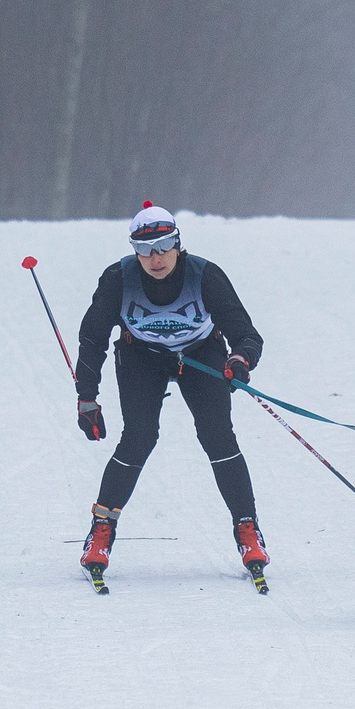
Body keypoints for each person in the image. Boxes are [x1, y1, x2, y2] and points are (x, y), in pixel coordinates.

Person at [74, 204, 267, 585]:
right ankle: (101, 530)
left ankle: (248, 530)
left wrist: (240, 360)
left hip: (200, 354)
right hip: (140, 355)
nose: (155, 258)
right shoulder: (119, 278)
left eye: (163, 246)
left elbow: (246, 334)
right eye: (144, 249)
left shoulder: (205, 276)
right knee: (139, 436)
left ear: (178, 243)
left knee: (217, 434)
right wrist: (87, 398)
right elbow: (92, 337)